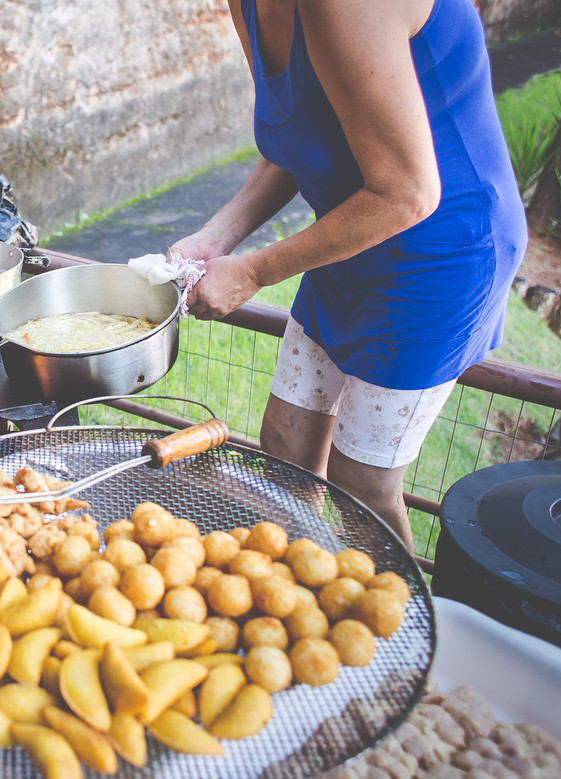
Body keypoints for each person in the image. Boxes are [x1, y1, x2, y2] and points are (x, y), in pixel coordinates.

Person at [168, 0, 527, 553]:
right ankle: (301, 583)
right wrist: (216, 239)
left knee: (362, 485)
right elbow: (297, 142)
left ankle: (394, 625)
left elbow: (408, 193)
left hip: (441, 255)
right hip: (347, 237)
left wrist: (252, 273)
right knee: (285, 443)